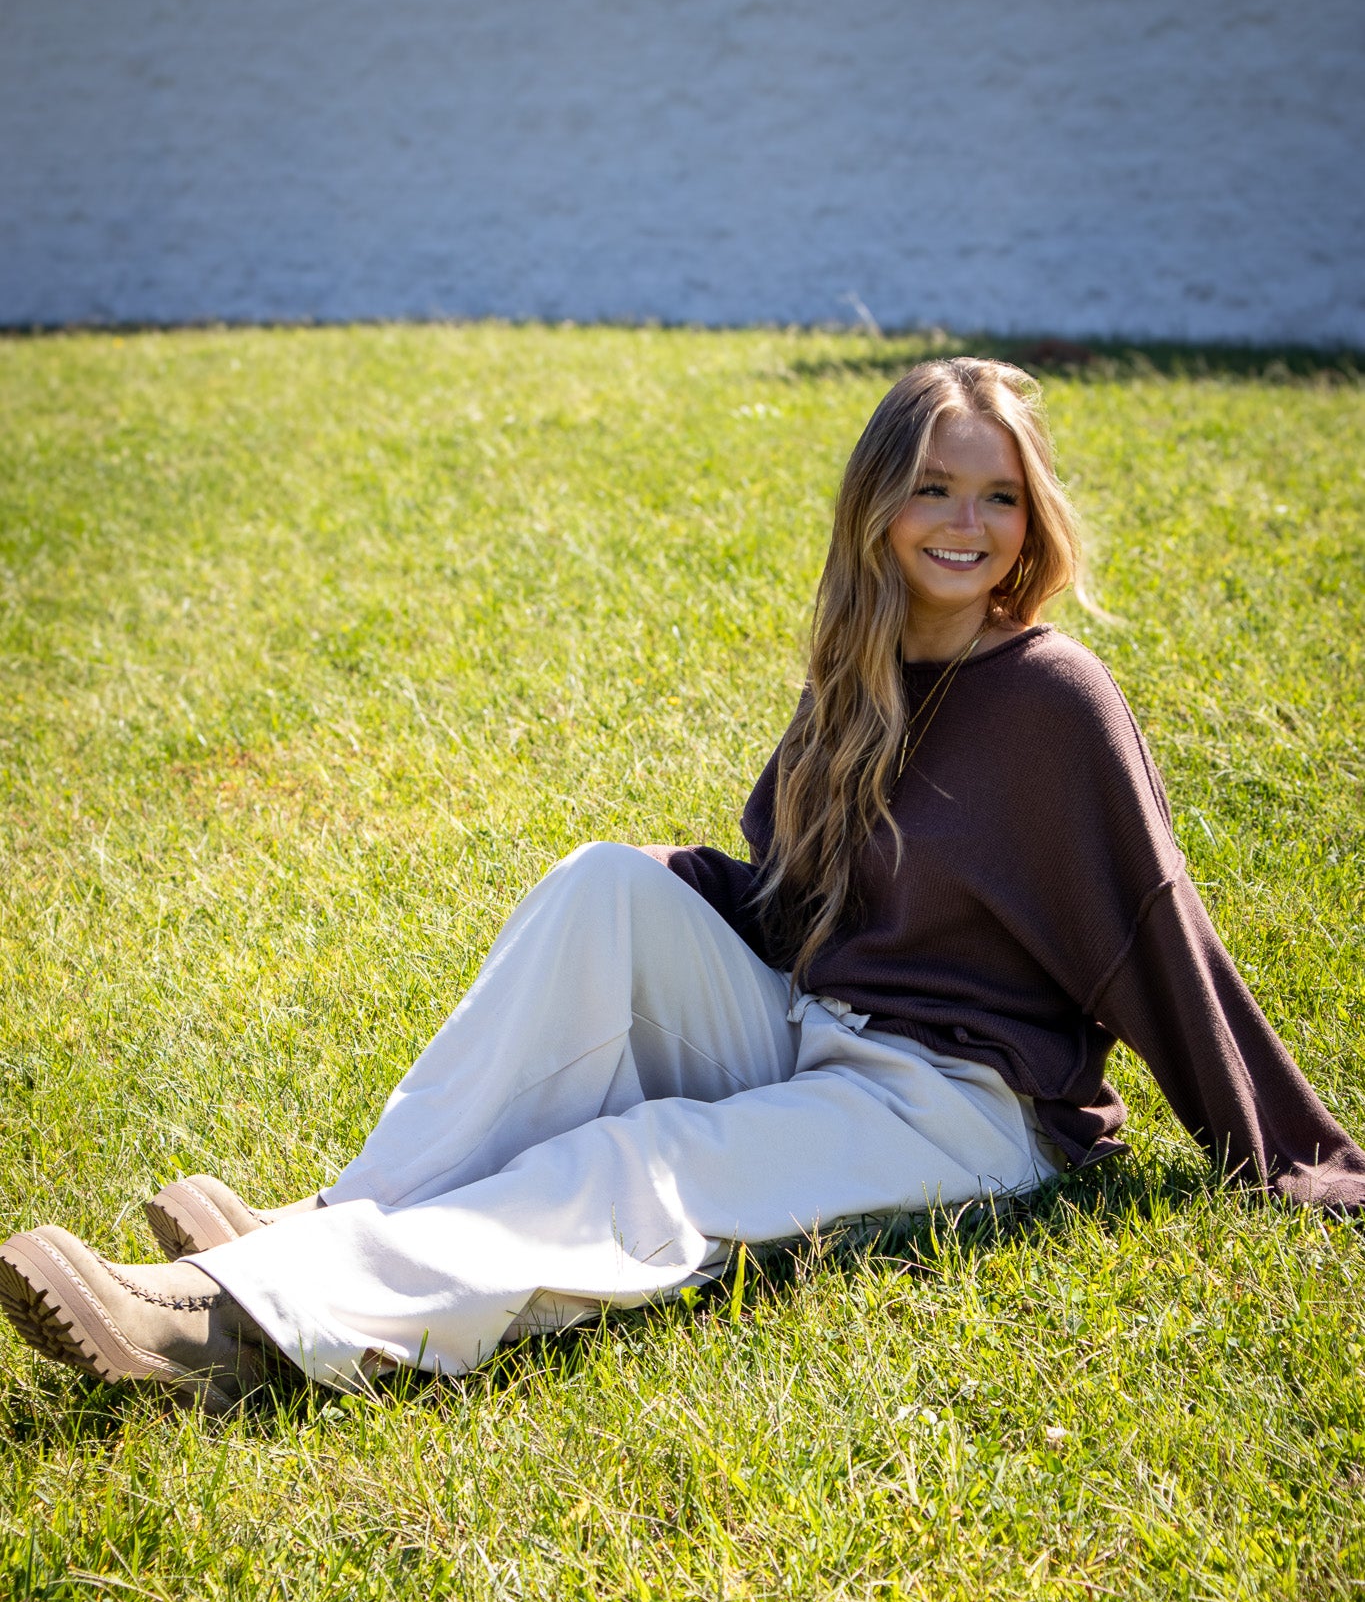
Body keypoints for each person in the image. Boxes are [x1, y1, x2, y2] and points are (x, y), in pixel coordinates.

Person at [2, 358, 1361, 1412]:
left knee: (636, 1163)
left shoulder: (1055, 697)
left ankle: (236, 1321)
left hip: (962, 1106)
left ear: (1032, 516)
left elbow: (1157, 931)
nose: (966, 523)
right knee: (602, 889)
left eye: (998, 496)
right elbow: (793, 898)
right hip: (821, 1027)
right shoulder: (865, 672)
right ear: (878, 506)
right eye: (935, 489)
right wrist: (682, 887)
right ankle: (346, 1221)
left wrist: (1298, 1159)